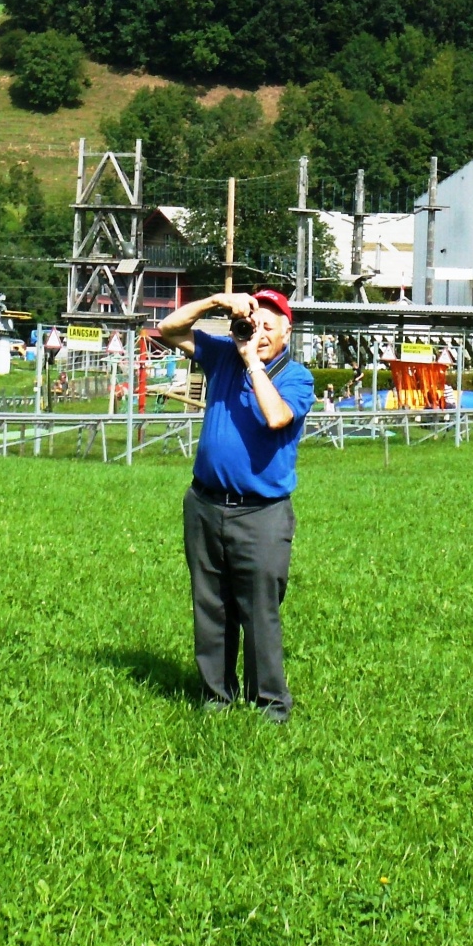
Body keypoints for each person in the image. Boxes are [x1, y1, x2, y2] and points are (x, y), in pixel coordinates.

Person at [156, 288, 315, 722]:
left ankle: (270, 705)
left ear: (286, 332)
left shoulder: (296, 377)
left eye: (268, 326)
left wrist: (252, 363)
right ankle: (216, 698)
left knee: (259, 611)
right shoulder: (223, 356)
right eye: (252, 324)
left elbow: (276, 416)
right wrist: (214, 302)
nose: (258, 333)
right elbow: (168, 329)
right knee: (211, 607)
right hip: (205, 504)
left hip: (261, 513)